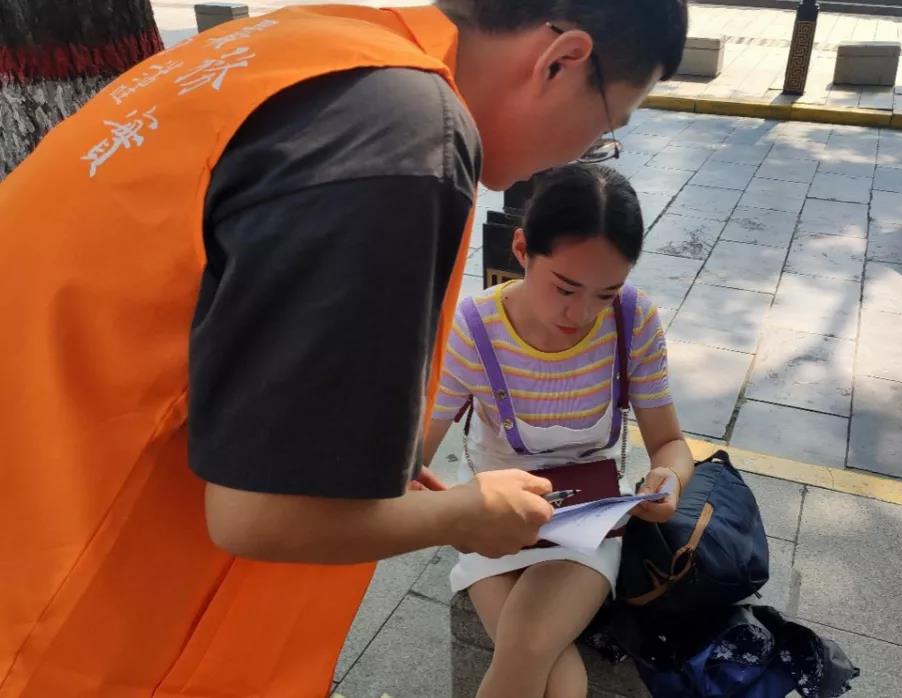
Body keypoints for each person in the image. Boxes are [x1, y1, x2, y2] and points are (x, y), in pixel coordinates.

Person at [0, 2, 688, 695]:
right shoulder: (405, 137)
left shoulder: (312, 45)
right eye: (607, 126)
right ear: (561, 61)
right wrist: (460, 514)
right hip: (77, 621)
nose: (582, 153)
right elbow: (260, 512)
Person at [423, 164, 696, 698]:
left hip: (587, 524)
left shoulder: (634, 319)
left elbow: (670, 444)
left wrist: (668, 480)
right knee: (547, 667)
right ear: (522, 249)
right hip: (497, 519)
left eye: (605, 293)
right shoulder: (475, 328)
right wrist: (453, 513)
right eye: (565, 287)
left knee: (526, 641)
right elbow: (413, 460)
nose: (582, 313)